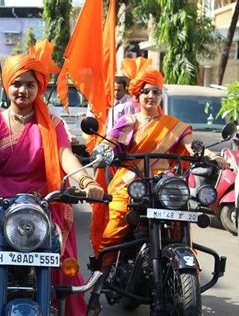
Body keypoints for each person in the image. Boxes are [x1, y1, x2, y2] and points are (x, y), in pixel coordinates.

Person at [0, 40, 104, 316]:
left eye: (29, 84)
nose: (22, 90)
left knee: (64, 265)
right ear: (6, 86)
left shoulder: (53, 123)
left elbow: (65, 155)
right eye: (16, 83)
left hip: (43, 205)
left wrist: (87, 182)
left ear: (39, 87)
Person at [90, 57, 229, 272]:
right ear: (138, 94)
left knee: (180, 222)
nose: (151, 96)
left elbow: (192, 145)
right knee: (113, 229)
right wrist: (102, 153)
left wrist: (211, 155)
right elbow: (109, 145)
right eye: (146, 91)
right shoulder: (128, 122)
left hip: (164, 185)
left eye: (156, 92)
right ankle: (102, 278)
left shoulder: (172, 125)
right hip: (131, 184)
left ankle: (183, 267)